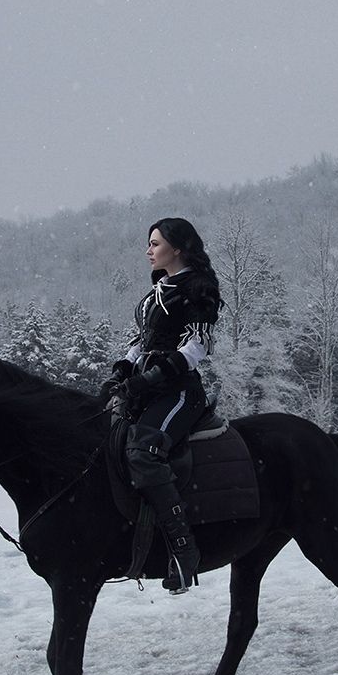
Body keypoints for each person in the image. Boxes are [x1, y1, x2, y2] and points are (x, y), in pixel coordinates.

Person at [103, 217, 222, 594]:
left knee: (143, 452)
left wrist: (154, 376)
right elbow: (145, 338)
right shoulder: (160, 287)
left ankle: (184, 551)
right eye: (149, 243)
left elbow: (198, 345)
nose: (149, 250)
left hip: (179, 391)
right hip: (145, 387)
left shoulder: (199, 287)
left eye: (155, 243)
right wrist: (125, 366)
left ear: (178, 247)